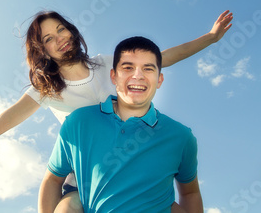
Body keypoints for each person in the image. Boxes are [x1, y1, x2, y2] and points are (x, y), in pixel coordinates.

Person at [0, 10, 231, 211]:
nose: (60, 38)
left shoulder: (105, 65)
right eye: (48, 38)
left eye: (62, 29)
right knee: (69, 207)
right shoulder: (47, 92)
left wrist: (211, 38)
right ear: (41, 50)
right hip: (86, 185)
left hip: (135, 175)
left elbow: (165, 56)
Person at [39, 36, 203, 213]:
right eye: (128, 68)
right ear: (113, 76)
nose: (137, 75)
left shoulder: (181, 137)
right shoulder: (78, 123)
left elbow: (190, 193)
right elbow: (53, 180)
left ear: (160, 80)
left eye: (148, 69)